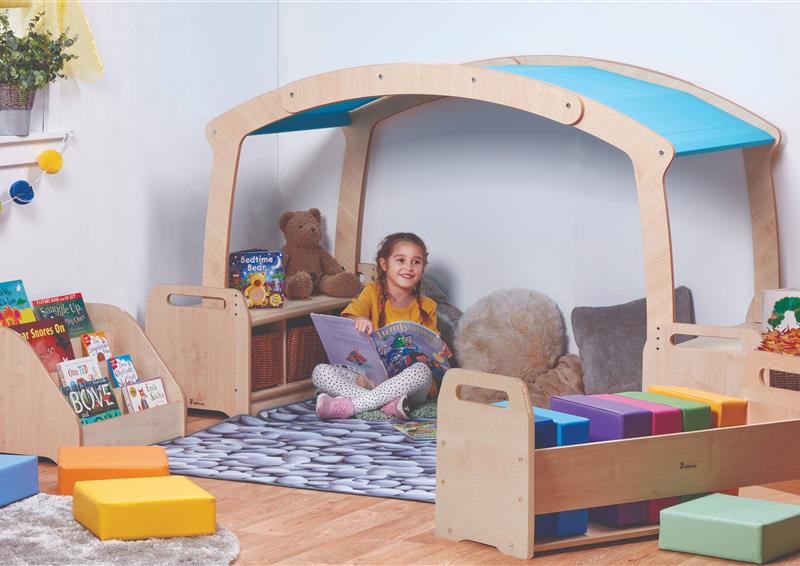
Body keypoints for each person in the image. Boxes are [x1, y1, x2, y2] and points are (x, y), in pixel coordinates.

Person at [312, 232, 451, 419]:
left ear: (423, 268)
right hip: (371, 379)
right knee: (320, 372)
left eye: (416, 262)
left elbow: (431, 346)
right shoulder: (371, 293)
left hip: (408, 385)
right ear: (384, 264)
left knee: (422, 372)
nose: (408, 267)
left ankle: (352, 406)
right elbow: (350, 317)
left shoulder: (427, 306)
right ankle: (386, 406)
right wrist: (359, 320)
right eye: (401, 260)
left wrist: (441, 350)